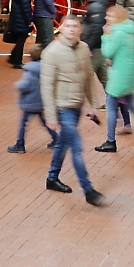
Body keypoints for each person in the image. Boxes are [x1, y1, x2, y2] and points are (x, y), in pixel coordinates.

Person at [41, 16, 105, 206]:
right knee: (76, 146)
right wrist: (51, 116)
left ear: (80, 29)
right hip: (62, 108)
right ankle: (88, 190)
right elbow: (46, 85)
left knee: (63, 144)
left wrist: (94, 105)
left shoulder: (83, 48)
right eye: (67, 26)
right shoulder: (51, 52)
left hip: (76, 106)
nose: (70, 29)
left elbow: (88, 78)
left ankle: (52, 178)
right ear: (60, 29)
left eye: (74, 26)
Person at [95, 4, 134, 153]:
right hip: (129, 76)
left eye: (109, 16)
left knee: (111, 108)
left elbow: (107, 52)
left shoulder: (117, 32)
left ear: (117, 18)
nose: (106, 18)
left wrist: (105, 36)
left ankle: (111, 141)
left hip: (118, 77)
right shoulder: (130, 30)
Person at [8, 44, 58, 152]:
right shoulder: (47, 69)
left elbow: (25, 85)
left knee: (23, 123)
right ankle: (56, 138)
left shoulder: (30, 71)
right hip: (42, 101)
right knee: (45, 122)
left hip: (29, 102)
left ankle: (20, 143)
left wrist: (17, 85)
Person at [7, 0, 34, 69]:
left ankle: (13, 57)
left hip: (16, 13)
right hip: (21, 16)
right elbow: (25, 4)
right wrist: (29, 19)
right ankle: (17, 61)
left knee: (20, 37)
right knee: (21, 38)